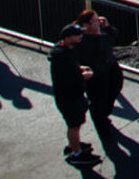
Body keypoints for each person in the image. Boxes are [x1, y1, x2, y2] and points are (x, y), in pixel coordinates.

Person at [48, 24, 98, 162]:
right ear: (68, 38)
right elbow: (68, 77)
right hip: (68, 98)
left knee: (76, 123)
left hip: (74, 95)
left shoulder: (66, 50)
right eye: (77, 35)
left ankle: (73, 145)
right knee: (74, 126)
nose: (81, 36)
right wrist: (84, 75)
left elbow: (71, 69)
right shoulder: (60, 56)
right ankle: (76, 154)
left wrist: (80, 69)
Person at [76, 10, 124, 148]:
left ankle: (105, 114)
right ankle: (102, 125)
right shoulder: (83, 40)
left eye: (97, 19)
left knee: (115, 88)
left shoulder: (102, 35)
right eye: (93, 21)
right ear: (85, 24)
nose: (97, 22)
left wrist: (107, 26)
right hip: (96, 74)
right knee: (98, 100)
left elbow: (113, 36)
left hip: (111, 68)